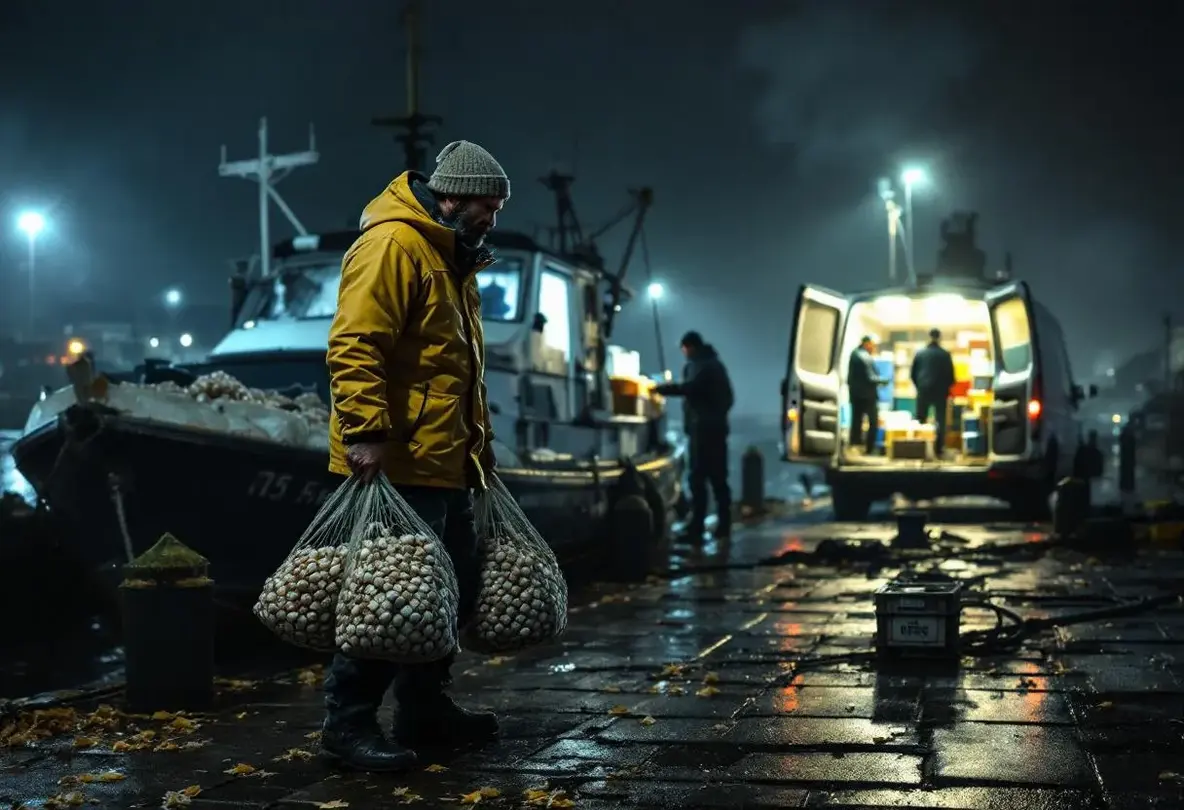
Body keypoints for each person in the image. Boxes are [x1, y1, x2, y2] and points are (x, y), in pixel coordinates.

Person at [321, 140, 510, 772]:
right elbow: (355, 344)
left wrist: (478, 449)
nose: (492, 219)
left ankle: (423, 709)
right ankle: (347, 724)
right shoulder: (394, 246)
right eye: (487, 206)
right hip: (398, 460)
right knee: (388, 597)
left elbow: (457, 371)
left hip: (444, 460)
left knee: (447, 591)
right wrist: (364, 431)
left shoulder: (451, 258)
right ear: (453, 196)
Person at [655, 332, 735, 540]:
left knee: (698, 479)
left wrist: (664, 389)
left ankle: (698, 527)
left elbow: (691, 388)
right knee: (717, 479)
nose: (684, 353)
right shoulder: (713, 365)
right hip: (713, 430)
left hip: (704, 432)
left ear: (690, 347)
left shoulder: (703, 366)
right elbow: (727, 398)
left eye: (684, 349)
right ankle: (722, 525)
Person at [910, 328, 956, 457]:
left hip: (923, 390)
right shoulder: (945, 354)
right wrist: (946, 388)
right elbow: (951, 376)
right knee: (940, 420)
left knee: (921, 419)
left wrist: (919, 386)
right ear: (939, 337)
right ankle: (939, 449)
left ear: (929, 337)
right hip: (940, 391)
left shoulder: (920, 353)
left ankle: (920, 448)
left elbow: (912, 374)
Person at [847, 334, 886, 455]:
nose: (873, 348)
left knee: (856, 421)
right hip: (867, 396)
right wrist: (883, 380)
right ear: (867, 343)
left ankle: (856, 445)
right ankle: (869, 449)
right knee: (873, 421)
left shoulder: (855, 354)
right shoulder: (863, 356)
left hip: (856, 395)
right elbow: (871, 377)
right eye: (872, 345)